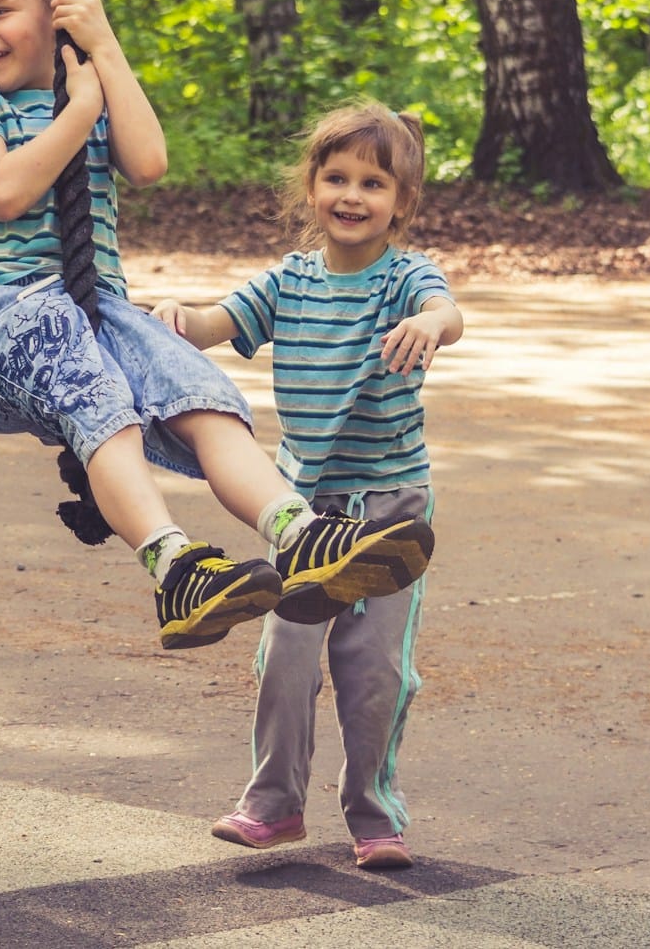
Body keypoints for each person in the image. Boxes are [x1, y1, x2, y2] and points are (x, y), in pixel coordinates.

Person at [0, 0, 434, 651]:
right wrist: (80, 114)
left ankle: (300, 534)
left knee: (202, 395)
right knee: (106, 409)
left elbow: (150, 160)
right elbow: (1, 192)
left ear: (57, 14)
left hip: (93, 310)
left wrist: (104, 53)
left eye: (0, 11)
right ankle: (174, 564)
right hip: (4, 315)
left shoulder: (85, 87)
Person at [150, 103, 461, 869]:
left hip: (390, 511)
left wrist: (433, 324)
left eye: (374, 183)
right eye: (337, 178)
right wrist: (166, 319)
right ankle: (273, 805)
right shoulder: (289, 280)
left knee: (375, 673)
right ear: (312, 187)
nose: (352, 196)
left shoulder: (405, 280)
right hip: (302, 514)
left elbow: (445, 310)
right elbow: (214, 323)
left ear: (402, 203)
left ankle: (374, 813)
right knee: (284, 659)